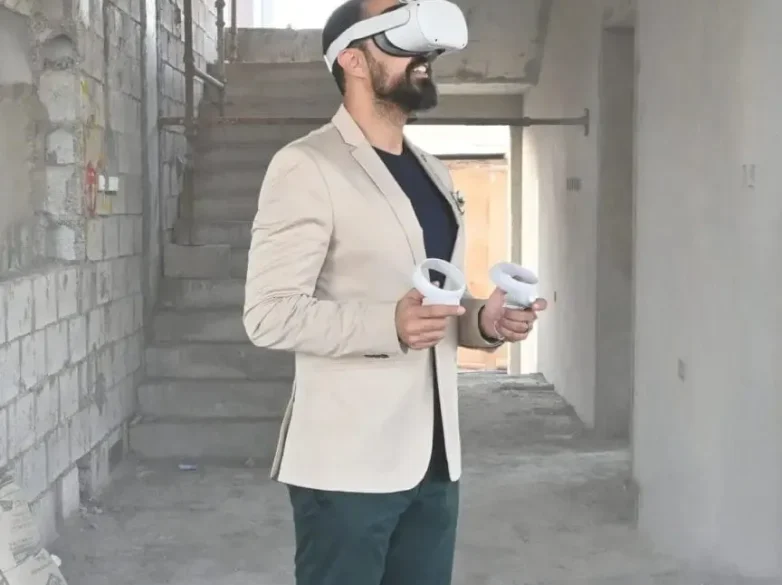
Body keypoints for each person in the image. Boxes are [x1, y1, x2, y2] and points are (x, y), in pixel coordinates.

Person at [242, 0, 547, 583]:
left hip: (436, 461)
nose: (424, 56)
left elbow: (435, 304)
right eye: (399, 40)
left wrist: (485, 319)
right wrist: (389, 325)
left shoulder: (432, 169)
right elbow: (268, 315)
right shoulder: (307, 166)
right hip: (348, 469)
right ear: (353, 61)